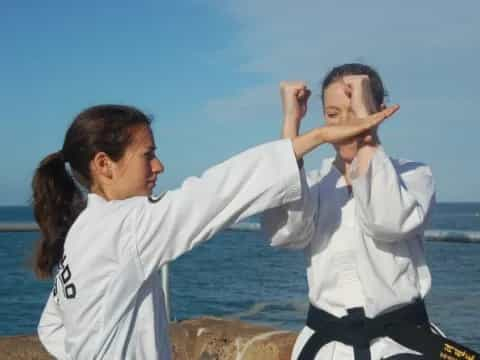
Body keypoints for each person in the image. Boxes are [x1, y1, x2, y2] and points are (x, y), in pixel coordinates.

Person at [32, 103, 397, 359]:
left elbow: (53, 326)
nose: (159, 165)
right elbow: (214, 194)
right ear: (103, 165)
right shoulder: (125, 228)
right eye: (148, 155)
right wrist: (315, 137)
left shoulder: (84, 231)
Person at [262, 64, 478, 360]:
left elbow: (387, 223)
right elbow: (285, 234)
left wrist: (367, 134)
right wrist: (291, 125)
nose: (346, 125)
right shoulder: (312, 183)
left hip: (401, 344)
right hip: (328, 348)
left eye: (357, 112)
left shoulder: (413, 175)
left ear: (380, 111)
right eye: (333, 115)